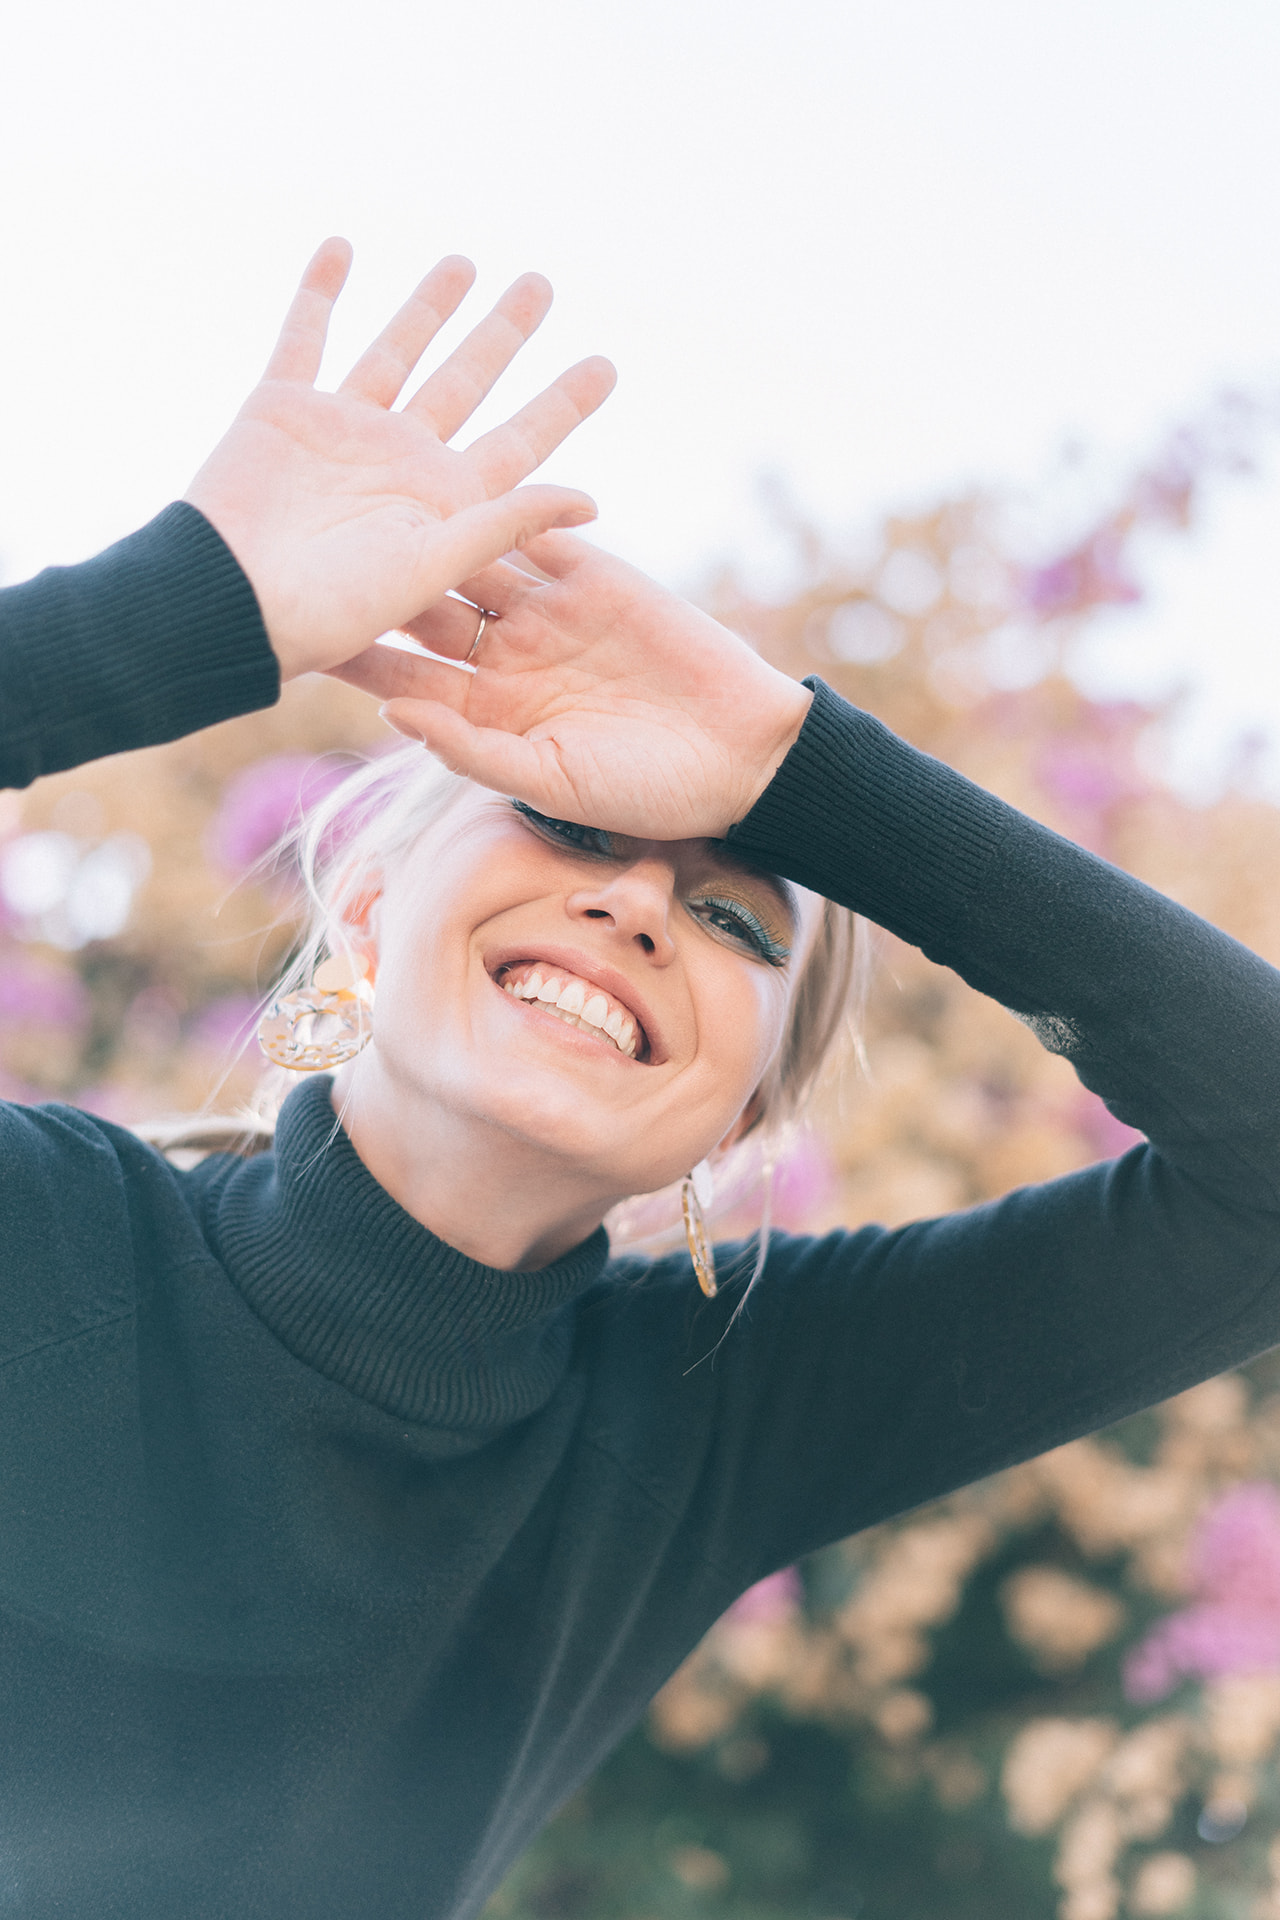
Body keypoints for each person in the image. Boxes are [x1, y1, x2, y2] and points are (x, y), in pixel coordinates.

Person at [2, 245, 1279, 1920]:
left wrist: (792, 764)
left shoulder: (712, 1414)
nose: (640, 908)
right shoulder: (45, 1230)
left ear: (743, 1119)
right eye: (573, 829)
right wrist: (180, 608)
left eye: (738, 918)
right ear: (367, 910)